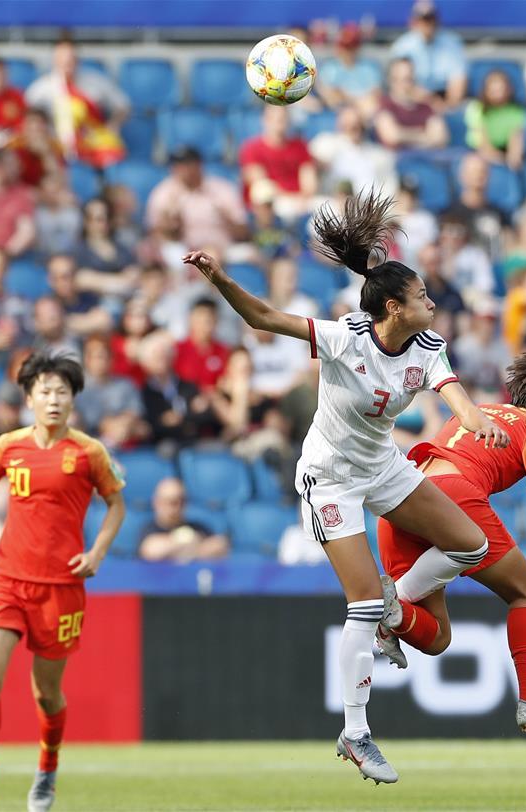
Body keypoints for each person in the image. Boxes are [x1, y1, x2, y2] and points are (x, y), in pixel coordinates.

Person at [182, 188, 506, 784]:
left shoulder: (428, 346)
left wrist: (478, 418)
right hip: (330, 477)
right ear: (391, 307)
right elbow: (260, 318)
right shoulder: (343, 337)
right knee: (358, 602)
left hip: (382, 465)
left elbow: (454, 394)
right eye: (421, 296)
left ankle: (392, 607)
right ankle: (355, 731)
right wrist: (219, 277)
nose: (431, 302)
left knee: (472, 545)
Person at [376, 352, 526, 727]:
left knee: (437, 637)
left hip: (403, 498)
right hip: (453, 495)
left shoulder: (478, 409)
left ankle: (395, 610)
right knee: (524, 592)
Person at [0, 352, 125, 812]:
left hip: (61, 586)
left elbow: (117, 505)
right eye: (45, 391)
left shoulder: (88, 452)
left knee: (46, 694)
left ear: (73, 400)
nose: (53, 400)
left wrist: (97, 553)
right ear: (29, 398)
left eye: (62, 392)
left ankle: (45, 774)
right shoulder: (8, 445)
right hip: (7, 576)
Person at [25, 38, 128, 168]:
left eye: (71, 59)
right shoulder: (40, 89)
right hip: (57, 147)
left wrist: (113, 124)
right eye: (62, 60)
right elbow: (29, 118)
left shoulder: (95, 81)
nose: (67, 64)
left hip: (93, 144)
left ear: (77, 60)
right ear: (54, 61)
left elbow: (123, 105)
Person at [145, 146, 248, 259]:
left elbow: (243, 232)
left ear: (199, 165)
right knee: (170, 253)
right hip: (182, 252)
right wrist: (171, 225)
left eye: (188, 164)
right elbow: (154, 232)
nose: (184, 169)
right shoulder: (164, 193)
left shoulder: (222, 189)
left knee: (249, 254)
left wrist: (226, 218)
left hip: (223, 248)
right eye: (179, 165)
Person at [239, 105, 317, 219]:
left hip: (301, 202)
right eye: (274, 118)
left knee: (329, 209)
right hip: (273, 203)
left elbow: (310, 183)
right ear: (264, 120)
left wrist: (302, 199)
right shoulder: (252, 148)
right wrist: (292, 199)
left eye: (283, 118)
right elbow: (261, 184)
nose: (279, 123)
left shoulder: (301, 147)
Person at [73, 335, 149, 450]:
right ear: (87, 360)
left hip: (128, 438)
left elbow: (135, 411)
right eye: (98, 357)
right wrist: (112, 427)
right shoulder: (79, 388)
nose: (102, 361)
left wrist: (123, 425)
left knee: (144, 429)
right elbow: (91, 421)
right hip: (92, 444)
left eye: (106, 357)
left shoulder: (126, 384)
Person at [390, 0, 467, 109]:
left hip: (445, 102)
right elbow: (400, 83)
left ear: (437, 19)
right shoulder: (403, 46)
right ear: (413, 20)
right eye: (422, 18)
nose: (427, 23)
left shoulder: (452, 44)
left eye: (430, 18)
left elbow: (458, 85)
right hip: (412, 101)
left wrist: (446, 107)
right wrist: (429, 102)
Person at [138, 477, 229, 562]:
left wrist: (185, 550)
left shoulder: (197, 527)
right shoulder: (149, 529)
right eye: (171, 502)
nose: (177, 507)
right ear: (157, 503)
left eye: (181, 501)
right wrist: (185, 541)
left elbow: (220, 546)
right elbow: (151, 552)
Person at [374, 58, 449, 151]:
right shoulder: (384, 104)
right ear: (390, 80)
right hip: (399, 161)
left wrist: (404, 134)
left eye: (408, 79)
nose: (403, 84)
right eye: (397, 79)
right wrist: (423, 135)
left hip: (429, 158)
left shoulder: (425, 107)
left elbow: (440, 138)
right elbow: (391, 136)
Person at [315, 23, 383, 117]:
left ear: (357, 48)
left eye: (351, 46)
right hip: (337, 115)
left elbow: (375, 97)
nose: (346, 51)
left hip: (365, 116)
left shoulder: (370, 68)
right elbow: (331, 99)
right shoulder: (329, 68)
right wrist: (357, 100)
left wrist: (344, 95)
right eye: (344, 46)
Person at [464, 69, 526, 169]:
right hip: (477, 153)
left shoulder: (516, 113)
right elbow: (483, 146)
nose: (498, 94)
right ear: (486, 90)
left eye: (501, 89)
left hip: (503, 153)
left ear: (509, 89)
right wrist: (502, 160)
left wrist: (513, 160)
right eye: (494, 91)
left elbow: (516, 142)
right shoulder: (476, 109)